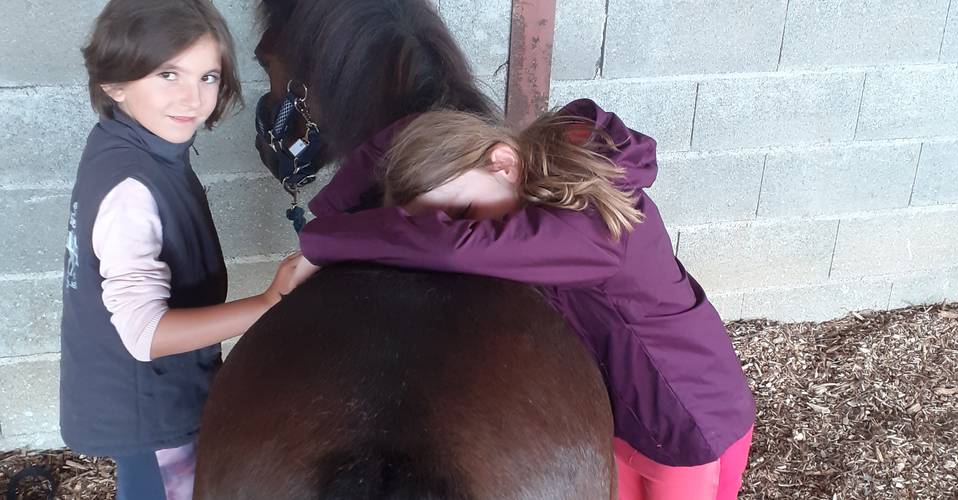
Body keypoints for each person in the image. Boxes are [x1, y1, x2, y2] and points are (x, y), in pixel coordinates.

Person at [296, 99, 755, 499]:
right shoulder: (544, 169)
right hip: (635, 411)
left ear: (503, 162)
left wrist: (318, 241)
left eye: (462, 213)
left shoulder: (588, 229)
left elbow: (449, 247)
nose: (465, 227)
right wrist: (330, 209)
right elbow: (406, 131)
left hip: (686, 429)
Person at [60, 1, 315, 498]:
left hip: (153, 392)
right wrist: (268, 305)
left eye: (208, 76)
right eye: (168, 73)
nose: (192, 98)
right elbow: (144, 332)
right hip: (150, 408)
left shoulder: (133, 142)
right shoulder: (130, 189)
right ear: (113, 82)